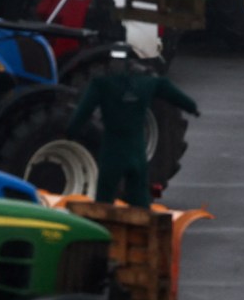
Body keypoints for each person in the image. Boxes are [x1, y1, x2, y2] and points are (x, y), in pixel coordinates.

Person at [66, 51, 200, 208]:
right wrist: (192, 107)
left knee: (104, 200)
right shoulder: (145, 84)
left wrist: (71, 133)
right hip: (136, 153)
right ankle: (139, 229)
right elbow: (168, 89)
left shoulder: (101, 85)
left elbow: (83, 111)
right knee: (139, 200)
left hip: (112, 153)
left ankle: (104, 229)